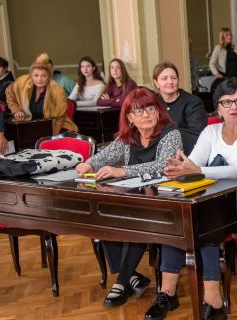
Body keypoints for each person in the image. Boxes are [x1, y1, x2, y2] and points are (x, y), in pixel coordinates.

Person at [152, 79, 237, 320]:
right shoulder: (210, 132)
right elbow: (192, 165)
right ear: (218, 108)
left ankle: (213, 302)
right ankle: (167, 292)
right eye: (227, 102)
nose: (234, 107)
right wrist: (178, 170)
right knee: (177, 219)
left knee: (205, 225)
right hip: (217, 199)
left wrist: (198, 170)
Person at [74, 87, 182, 307]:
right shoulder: (128, 137)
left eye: (150, 108)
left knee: (136, 222)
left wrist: (122, 171)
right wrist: (89, 163)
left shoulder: (170, 133)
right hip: (133, 199)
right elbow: (106, 155)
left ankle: (122, 282)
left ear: (158, 111)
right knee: (103, 215)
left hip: (163, 202)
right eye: (138, 111)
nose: (146, 115)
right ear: (130, 118)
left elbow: (164, 166)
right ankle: (133, 276)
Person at [5, 53, 78, 134]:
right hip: (29, 125)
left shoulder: (57, 90)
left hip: (55, 126)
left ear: (49, 76)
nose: (39, 79)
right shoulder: (23, 82)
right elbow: (9, 92)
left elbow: (59, 118)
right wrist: (16, 109)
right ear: (31, 76)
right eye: (36, 75)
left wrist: (50, 138)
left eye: (44, 76)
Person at [152, 61, 208, 153]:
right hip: (154, 151)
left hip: (185, 153)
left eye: (173, 78)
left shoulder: (193, 102)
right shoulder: (152, 102)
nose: (170, 82)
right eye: (164, 78)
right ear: (156, 82)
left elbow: (198, 136)